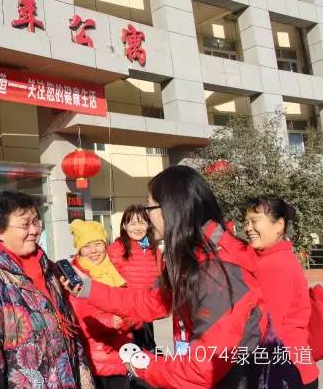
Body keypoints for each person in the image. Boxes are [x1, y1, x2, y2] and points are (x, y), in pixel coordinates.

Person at [62, 165, 285, 389]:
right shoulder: (192, 257)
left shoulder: (217, 272)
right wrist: (89, 289)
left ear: (170, 208)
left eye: (149, 207)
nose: (147, 216)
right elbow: (151, 301)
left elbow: (201, 371)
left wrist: (140, 364)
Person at [0, 191, 95, 388]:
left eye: (36, 222)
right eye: (25, 225)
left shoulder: (50, 270)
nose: (34, 230)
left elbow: (73, 338)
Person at [244, 195, 319, 388]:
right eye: (246, 222)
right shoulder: (277, 258)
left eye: (254, 221)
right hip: (292, 367)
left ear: (278, 225)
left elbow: (266, 327)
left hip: (283, 373)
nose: (248, 228)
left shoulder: (273, 266)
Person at [68, 219, 134, 389]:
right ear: (79, 249)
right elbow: (79, 317)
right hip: (94, 356)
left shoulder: (116, 268)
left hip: (121, 351)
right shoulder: (74, 275)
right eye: (87, 246)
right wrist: (110, 321)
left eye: (98, 244)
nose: (94, 251)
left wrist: (131, 318)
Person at [107, 205, 161, 352]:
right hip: (126, 316)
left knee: (149, 355)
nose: (138, 228)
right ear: (124, 226)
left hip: (146, 314)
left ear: (148, 225)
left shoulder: (153, 249)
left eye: (142, 223)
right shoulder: (115, 249)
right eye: (132, 223)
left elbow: (159, 280)